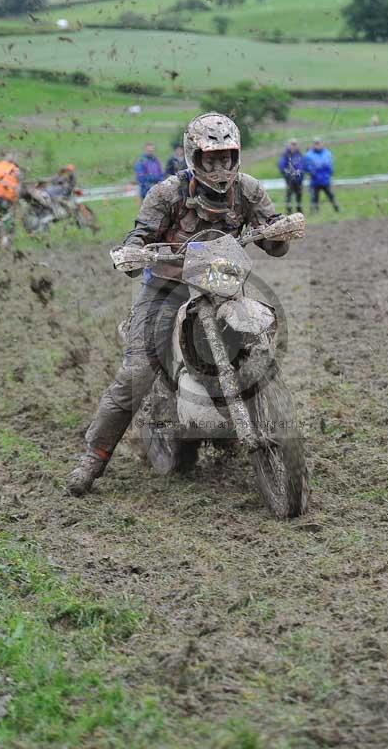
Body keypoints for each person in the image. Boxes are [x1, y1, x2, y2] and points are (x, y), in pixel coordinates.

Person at [68, 112, 291, 496]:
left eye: (227, 157)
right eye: (212, 158)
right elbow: (138, 235)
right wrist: (134, 253)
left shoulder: (249, 190)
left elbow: (275, 243)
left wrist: (280, 230)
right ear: (195, 157)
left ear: (236, 155)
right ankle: (94, 456)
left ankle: (258, 413)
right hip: (166, 286)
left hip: (221, 283)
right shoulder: (167, 193)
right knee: (139, 371)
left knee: (258, 336)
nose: (220, 166)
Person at [303, 137, 339, 214]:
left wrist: (329, 173)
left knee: (330, 195)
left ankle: (336, 208)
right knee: (314, 197)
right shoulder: (309, 155)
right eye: (316, 144)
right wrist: (312, 172)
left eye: (318, 143)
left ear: (321, 144)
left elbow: (330, 165)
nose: (317, 145)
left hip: (325, 179)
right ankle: (314, 212)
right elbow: (306, 166)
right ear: (313, 145)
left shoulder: (327, 153)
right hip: (315, 180)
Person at [278, 139, 304, 214]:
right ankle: (289, 212)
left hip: (298, 179)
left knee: (299, 196)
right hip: (289, 179)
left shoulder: (299, 154)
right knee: (289, 196)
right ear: (289, 145)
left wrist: (300, 173)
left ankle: (299, 212)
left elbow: (302, 165)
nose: (294, 146)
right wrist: (288, 174)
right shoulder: (286, 155)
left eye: (295, 144)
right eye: (292, 144)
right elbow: (282, 165)